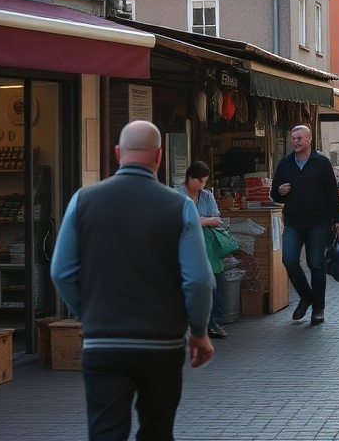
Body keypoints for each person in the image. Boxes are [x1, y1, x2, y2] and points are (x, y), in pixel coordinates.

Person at [50, 120, 214, 441]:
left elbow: (61, 271)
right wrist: (198, 332)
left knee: (105, 434)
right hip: (161, 343)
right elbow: (198, 281)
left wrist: (90, 313)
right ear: (159, 157)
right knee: (157, 431)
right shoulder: (180, 206)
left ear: (117, 153)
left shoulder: (82, 200)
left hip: (103, 343)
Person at [271, 125, 339, 326]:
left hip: (318, 222)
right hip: (294, 222)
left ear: (309, 140)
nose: (296, 141)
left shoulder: (321, 162)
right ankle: (306, 296)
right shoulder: (285, 163)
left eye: (300, 138)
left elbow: (332, 192)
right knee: (289, 260)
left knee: (316, 264)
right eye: (293, 138)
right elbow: (274, 194)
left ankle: (318, 309)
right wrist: (280, 190)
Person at [177, 160, 228, 339]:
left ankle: (213, 322)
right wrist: (205, 221)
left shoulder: (206, 195)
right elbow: (181, 222)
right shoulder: (177, 195)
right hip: (185, 246)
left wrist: (199, 220)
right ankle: (206, 323)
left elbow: (216, 218)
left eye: (205, 181)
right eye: (201, 180)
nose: (203, 185)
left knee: (216, 281)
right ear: (190, 178)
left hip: (208, 245)